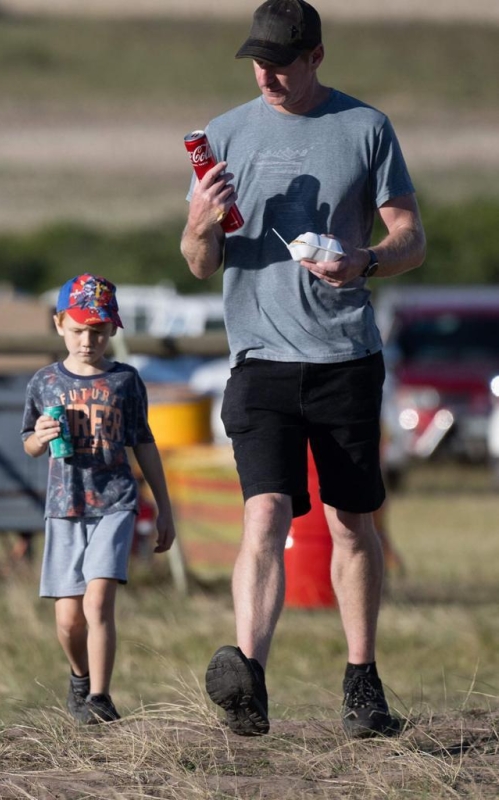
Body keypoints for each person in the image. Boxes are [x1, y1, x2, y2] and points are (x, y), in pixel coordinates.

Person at [181, 0, 425, 739]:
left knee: (351, 522)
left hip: (345, 357)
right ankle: (248, 682)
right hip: (258, 359)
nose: (268, 76)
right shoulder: (224, 134)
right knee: (264, 514)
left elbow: (411, 237)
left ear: (315, 56)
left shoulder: (365, 128)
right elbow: (199, 264)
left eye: (282, 64)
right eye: (259, 63)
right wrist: (197, 224)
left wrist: (365, 260)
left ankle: (361, 681)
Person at [21, 273, 175, 724]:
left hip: (116, 503)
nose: (88, 341)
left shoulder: (125, 380)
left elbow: (144, 443)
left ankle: (101, 698)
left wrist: (164, 507)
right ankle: (80, 676)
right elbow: (29, 443)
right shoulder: (44, 381)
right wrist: (39, 438)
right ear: (59, 324)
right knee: (69, 620)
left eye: (99, 331)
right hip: (65, 507)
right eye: (78, 330)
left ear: (111, 330)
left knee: (98, 601)